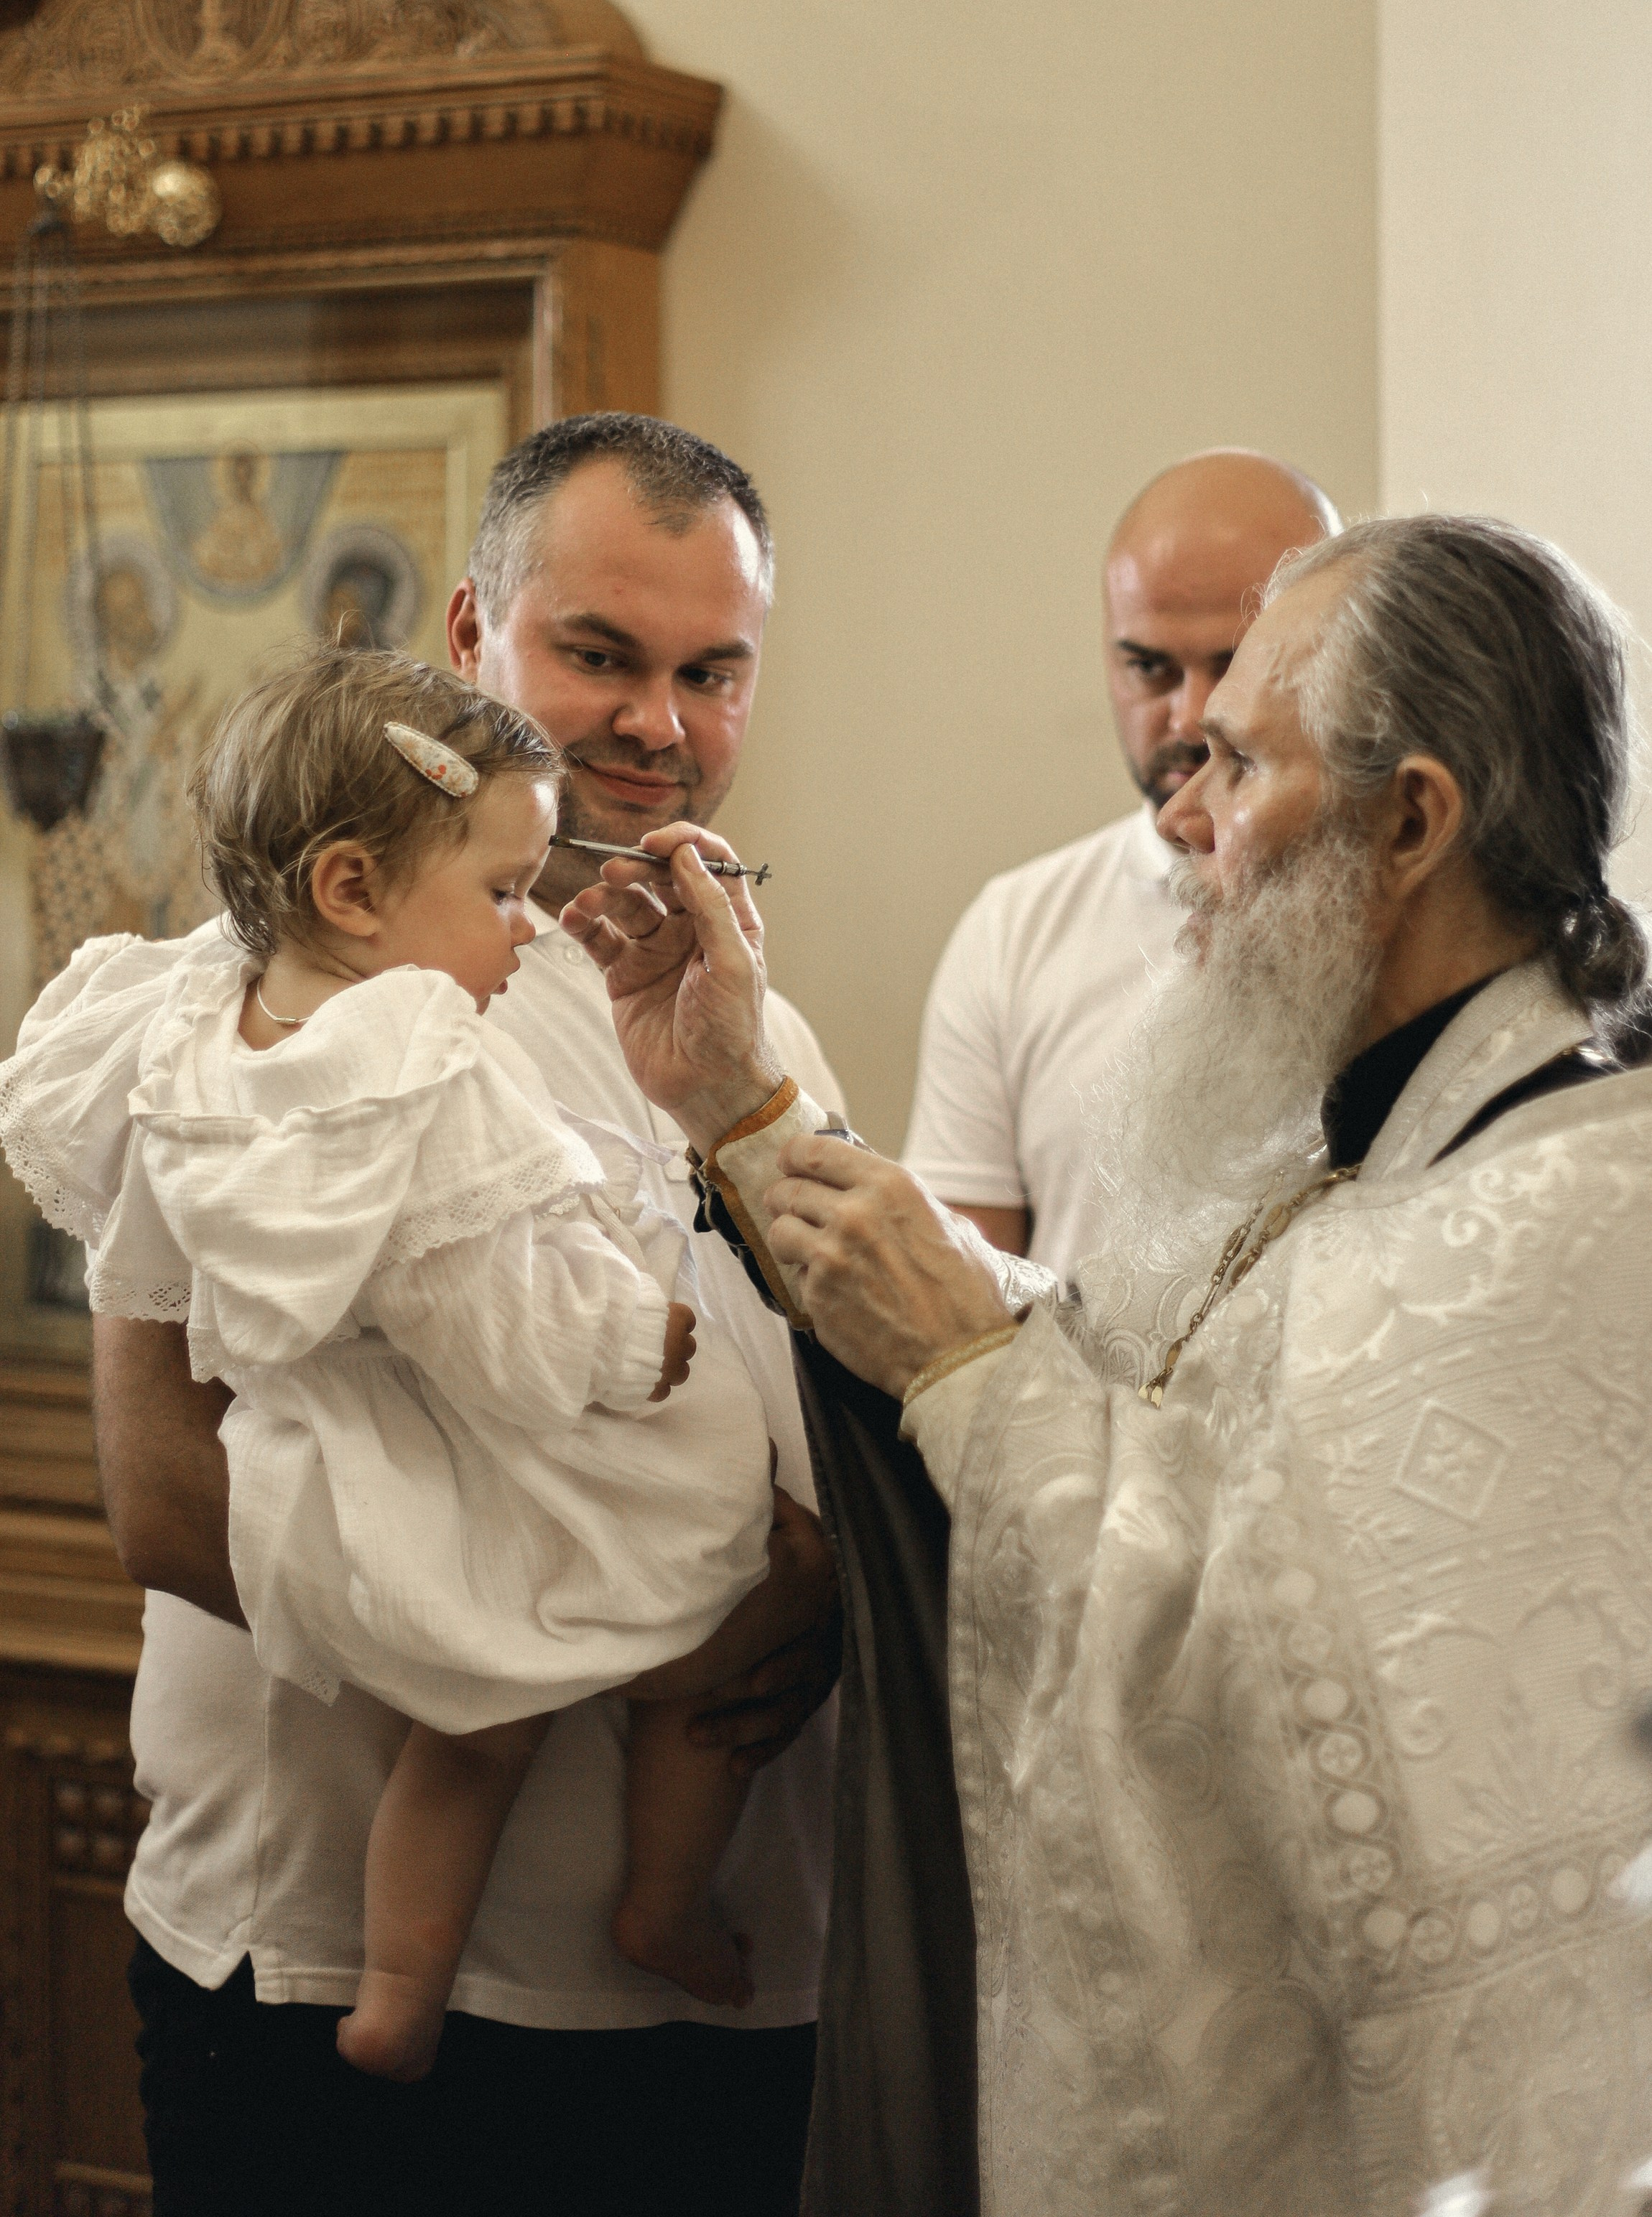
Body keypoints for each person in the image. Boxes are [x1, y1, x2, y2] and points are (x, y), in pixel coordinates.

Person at [565, 513, 1652, 2213]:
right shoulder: (1389, 1154)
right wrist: (741, 1111)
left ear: (1412, 821)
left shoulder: (1554, 1222)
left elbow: (1232, 1691)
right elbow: (1122, 1395)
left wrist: (968, 1380)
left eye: (1234, 763)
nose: (1180, 823)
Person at [86, 416, 844, 2217]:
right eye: (599, 655)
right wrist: (673, 1629)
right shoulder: (269, 1014)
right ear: (468, 637)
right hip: (350, 1985)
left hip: (707, 2000)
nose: (659, 724)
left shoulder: (757, 1018)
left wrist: (831, 1594)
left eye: (710, 671)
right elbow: (164, 1498)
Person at [903, 447, 1338, 1266]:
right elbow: (956, 1310)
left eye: (1234, 664)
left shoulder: (1409, 917)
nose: (1187, 717)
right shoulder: (1013, 930)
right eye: (1148, 667)